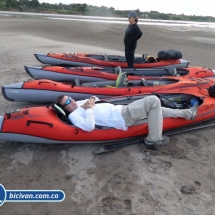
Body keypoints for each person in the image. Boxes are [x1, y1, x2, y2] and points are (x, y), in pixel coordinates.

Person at [55, 94, 198, 146]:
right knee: (153, 100)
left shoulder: (79, 103)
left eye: (70, 98)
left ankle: (187, 113)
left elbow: (95, 98)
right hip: (122, 117)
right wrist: (89, 109)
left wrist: (91, 101)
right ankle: (154, 139)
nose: (72, 101)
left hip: (121, 109)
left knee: (158, 110)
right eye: (68, 103)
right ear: (65, 108)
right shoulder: (74, 116)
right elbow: (89, 127)